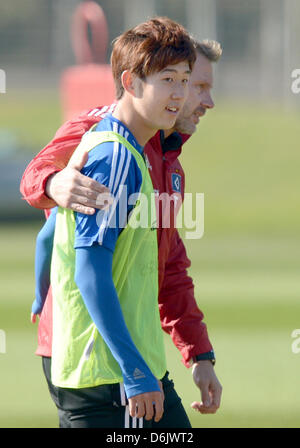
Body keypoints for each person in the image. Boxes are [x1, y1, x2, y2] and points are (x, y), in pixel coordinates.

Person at [21, 38, 223, 426]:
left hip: (124, 351)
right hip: (92, 351)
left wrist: (198, 353)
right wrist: (51, 184)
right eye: (194, 85)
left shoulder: (167, 160)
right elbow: (34, 173)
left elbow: (170, 266)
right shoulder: (104, 134)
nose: (200, 99)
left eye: (191, 84)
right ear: (139, 84)